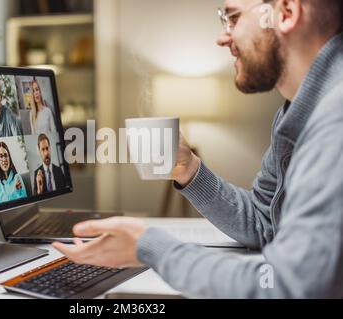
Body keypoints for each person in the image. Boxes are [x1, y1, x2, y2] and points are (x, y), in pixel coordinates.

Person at [53, 0, 343, 298]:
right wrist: (189, 169)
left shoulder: (335, 120)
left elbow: (287, 286)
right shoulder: (296, 113)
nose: (222, 37)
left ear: (286, 12)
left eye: (233, 17)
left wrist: (149, 246)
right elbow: (263, 223)